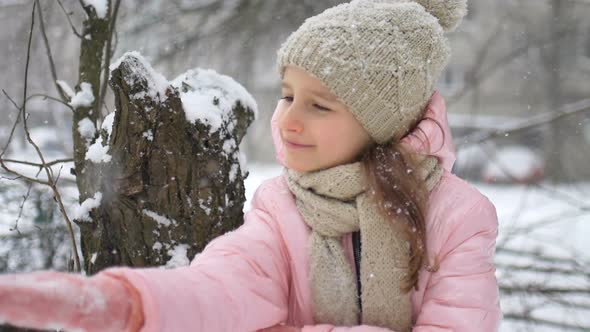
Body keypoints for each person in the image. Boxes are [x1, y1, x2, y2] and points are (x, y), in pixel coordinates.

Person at [0, 0, 502, 331]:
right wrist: (129, 302)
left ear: (382, 124)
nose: (288, 121)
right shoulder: (282, 209)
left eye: (319, 105)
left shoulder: (456, 218)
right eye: (287, 96)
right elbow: (222, 286)